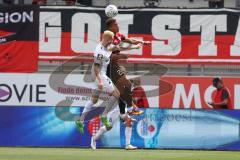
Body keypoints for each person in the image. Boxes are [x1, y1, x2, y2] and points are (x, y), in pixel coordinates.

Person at [76, 30, 142, 133]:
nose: (112, 41)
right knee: (116, 94)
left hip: (100, 73)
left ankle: (80, 120)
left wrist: (134, 47)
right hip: (98, 74)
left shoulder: (109, 45)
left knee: (94, 100)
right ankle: (104, 115)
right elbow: (97, 67)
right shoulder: (99, 52)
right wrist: (100, 81)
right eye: (111, 40)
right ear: (106, 39)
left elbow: (119, 47)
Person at [105, 18, 150, 119]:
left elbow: (131, 40)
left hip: (114, 65)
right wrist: (132, 49)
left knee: (124, 88)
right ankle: (128, 110)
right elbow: (114, 50)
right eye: (116, 24)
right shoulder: (107, 38)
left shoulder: (119, 36)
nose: (118, 26)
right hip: (108, 65)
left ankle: (128, 111)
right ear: (111, 27)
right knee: (124, 87)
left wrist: (143, 42)